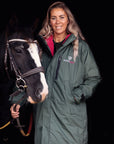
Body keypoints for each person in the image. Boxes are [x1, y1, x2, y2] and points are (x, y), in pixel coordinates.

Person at [10, 1, 101, 144]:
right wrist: (17, 102)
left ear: (68, 20)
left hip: (70, 123)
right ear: (49, 22)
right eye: (53, 18)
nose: (58, 21)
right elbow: (27, 76)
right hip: (43, 123)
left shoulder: (80, 48)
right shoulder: (38, 48)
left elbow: (93, 78)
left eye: (61, 17)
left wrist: (77, 95)